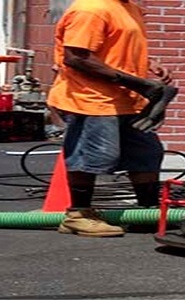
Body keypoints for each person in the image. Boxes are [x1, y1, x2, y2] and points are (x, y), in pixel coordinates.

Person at [47, 0, 178, 237]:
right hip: (92, 99)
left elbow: (114, 48)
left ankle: (147, 213)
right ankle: (78, 215)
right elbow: (77, 57)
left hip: (126, 99)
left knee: (147, 154)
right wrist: (139, 84)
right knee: (93, 156)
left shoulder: (129, 8)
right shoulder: (91, 9)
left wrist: (149, 64)